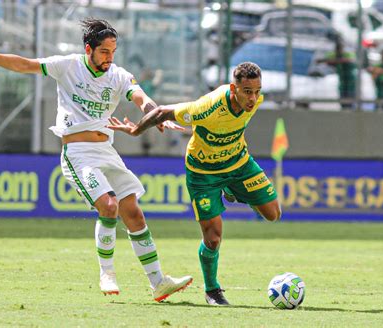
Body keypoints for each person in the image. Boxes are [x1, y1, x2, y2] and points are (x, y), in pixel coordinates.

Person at [0, 18, 192, 302]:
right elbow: (25, 64)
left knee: (133, 211)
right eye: (104, 52)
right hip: (77, 153)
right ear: (89, 49)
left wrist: (156, 116)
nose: (110, 58)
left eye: (113, 52)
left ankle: (158, 282)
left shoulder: (119, 75)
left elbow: (142, 99)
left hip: (107, 152)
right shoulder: (68, 66)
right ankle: (107, 272)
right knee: (109, 205)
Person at [108, 62, 281, 306]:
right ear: (234, 89)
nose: (253, 98)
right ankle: (212, 291)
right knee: (212, 238)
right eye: (247, 92)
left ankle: (232, 189)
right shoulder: (207, 107)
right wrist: (136, 130)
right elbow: (162, 112)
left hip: (239, 164)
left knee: (273, 214)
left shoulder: (255, 101)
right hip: (203, 173)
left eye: (257, 91)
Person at [318, 38, 357, 109]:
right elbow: (326, 61)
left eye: (340, 48)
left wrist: (330, 60)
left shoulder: (347, 54)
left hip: (350, 83)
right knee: (343, 102)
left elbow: (347, 60)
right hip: (342, 84)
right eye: (337, 48)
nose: (339, 50)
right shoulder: (335, 56)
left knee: (350, 102)